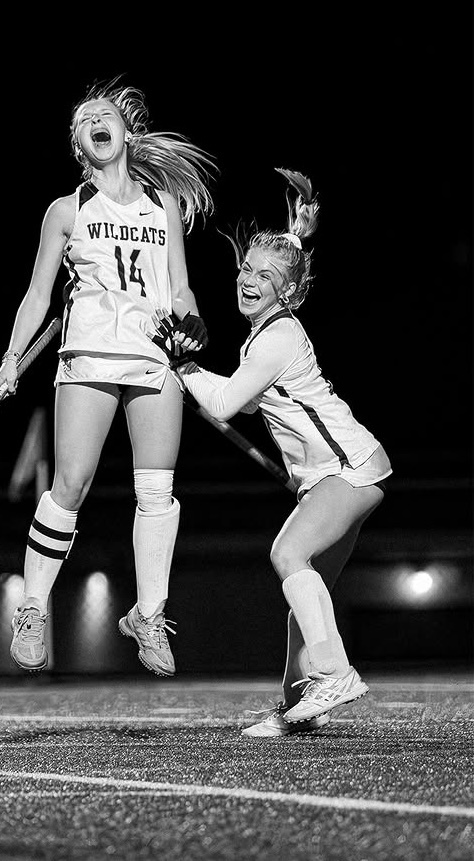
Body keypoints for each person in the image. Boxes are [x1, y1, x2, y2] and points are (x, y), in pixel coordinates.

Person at [0, 77, 216, 677]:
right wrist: (11, 358)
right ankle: (34, 607)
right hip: (89, 353)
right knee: (71, 483)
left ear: (125, 132)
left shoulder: (161, 203)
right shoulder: (67, 210)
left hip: (152, 356)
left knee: (156, 492)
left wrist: (191, 318)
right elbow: (38, 294)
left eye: (105, 113)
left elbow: (180, 283)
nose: (96, 120)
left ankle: (149, 612)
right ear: (79, 146)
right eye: (84, 118)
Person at [164, 167, 392, 735]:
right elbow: (240, 403)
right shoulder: (266, 333)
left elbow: (221, 405)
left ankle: (334, 672)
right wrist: (295, 234)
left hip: (350, 470)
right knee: (303, 588)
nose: (249, 279)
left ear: (286, 290)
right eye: (245, 268)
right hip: (337, 476)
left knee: (287, 554)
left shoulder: (278, 338)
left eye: (264, 276)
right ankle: (295, 709)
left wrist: (182, 367)